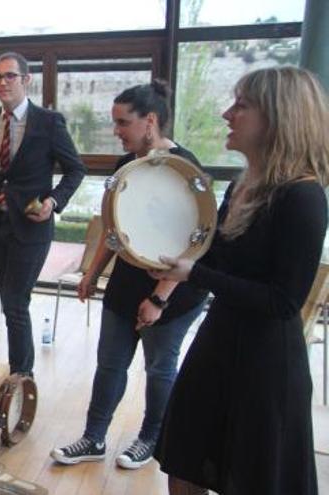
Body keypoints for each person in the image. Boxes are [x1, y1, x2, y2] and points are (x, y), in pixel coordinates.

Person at [150, 66, 327, 495]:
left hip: (265, 366)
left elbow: (283, 301)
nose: (227, 114)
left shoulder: (304, 197)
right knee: (185, 465)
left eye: (242, 105)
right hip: (218, 341)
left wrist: (195, 272)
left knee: (249, 477)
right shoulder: (242, 185)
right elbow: (222, 259)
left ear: (278, 117)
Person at [51, 81, 208, 469]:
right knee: (110, 363)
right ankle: (93, 438)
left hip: (173, 293)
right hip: (126, 282)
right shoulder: (127, 166)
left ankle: (150, 439)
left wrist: (158, 298)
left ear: (150, 120)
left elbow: (196, 241)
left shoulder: (184, 168)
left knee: (159, 369)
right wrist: (92, 272)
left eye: (123, 122)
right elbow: (112, 228)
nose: (116, 131)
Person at [0, 51, 86, 375]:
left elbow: (75, 170)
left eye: (9, 76)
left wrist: (54, 202)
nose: (2, 83)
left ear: (26, 80)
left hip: (32, 228)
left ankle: (21, 378)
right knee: (11, 303)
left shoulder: (48, 122)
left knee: (15, 304)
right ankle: (20, 376)